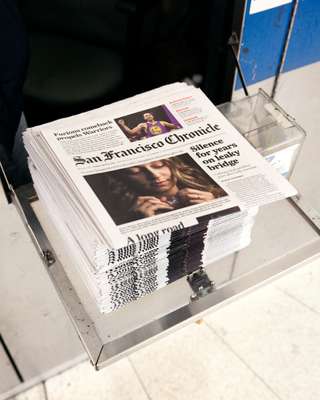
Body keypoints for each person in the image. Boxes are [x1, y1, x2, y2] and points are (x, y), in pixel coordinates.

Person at [106, 156, 226, 223]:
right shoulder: (127, 218)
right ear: (122, 180)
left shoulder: (219, 195)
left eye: (158, 164)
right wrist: (145, 224)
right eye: (136, 171)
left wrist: (216, 207)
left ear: (172, 164)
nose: (154, 175)